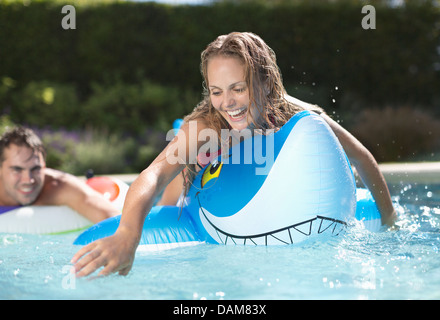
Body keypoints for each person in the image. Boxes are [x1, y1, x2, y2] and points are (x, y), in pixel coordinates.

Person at [72, 32, 396, 277]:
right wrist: (128, 234)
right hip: (190, 196)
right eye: (216, 91)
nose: (227, 102)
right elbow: (155, 175)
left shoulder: (293, 117)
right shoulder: (205, 127)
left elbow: (360, 156)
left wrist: (390, 222)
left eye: (238, 88)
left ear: (265, 82)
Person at [0, 126, 120, 222]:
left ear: (44, 166)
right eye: (17, 169)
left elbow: (113, 218)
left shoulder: (56, 186)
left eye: (36, 169)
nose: (28, 180)